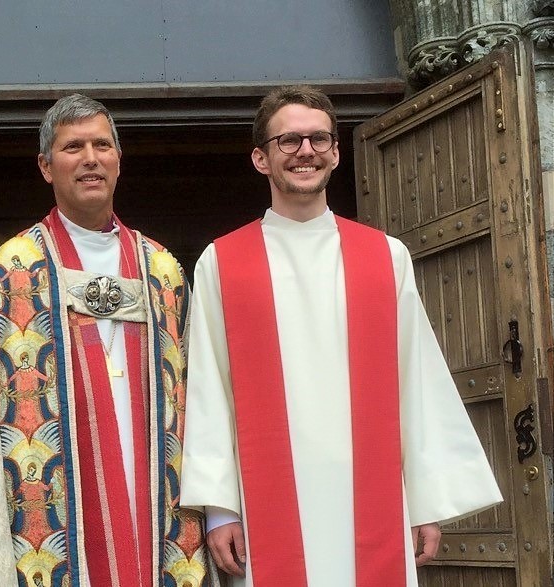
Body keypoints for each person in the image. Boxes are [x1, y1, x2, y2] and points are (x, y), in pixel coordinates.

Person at [179, 85, 503, 586]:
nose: (305, 151)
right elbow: (207, 390)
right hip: (266, 504)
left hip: (372, 498)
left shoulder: (384, 256)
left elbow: (416, 380)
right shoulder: (222, 262)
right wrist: (221, 508)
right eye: (288, 141)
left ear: (335, 152)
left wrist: (424, 500)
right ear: (261, 158)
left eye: (318, 139)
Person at [0, 94, 218, 586]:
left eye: (102, 145)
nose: (90, 158)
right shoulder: (11, 268)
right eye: (73, 148)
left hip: (156, 496)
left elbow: (201, 394)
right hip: (58, 500)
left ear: (118, 161)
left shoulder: (163, 269)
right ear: (46, 166)